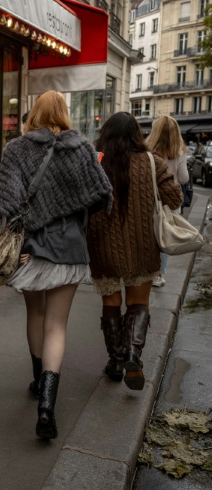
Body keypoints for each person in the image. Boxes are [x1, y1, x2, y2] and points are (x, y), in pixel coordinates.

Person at [0, 90, 113, 440]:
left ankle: (36, 381)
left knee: (36, 316)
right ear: (64, 114)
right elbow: (101, 195)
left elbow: (6, 202)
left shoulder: (18, 148)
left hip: (32, 248)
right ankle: (47, 405)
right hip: (70, 247)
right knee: (57, 326)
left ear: (34, 113)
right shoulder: (83, 150)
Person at [88, 112, 182, 390]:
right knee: (138, 304)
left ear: (105, 133)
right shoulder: (153, 162)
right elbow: (175, 198)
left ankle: (116, 363)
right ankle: (132, 353)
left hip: (103, 244)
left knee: (111, 304)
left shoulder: (96, 161)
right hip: (142, 245)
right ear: (136, 134)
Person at [144, 115, 189, 288]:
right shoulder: (179, 152)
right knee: (165, 236)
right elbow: (184, 179)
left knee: (151, 236)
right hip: (171, 201)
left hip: (151, 198)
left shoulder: (147, 151)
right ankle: (159, 274)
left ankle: (149, 271)